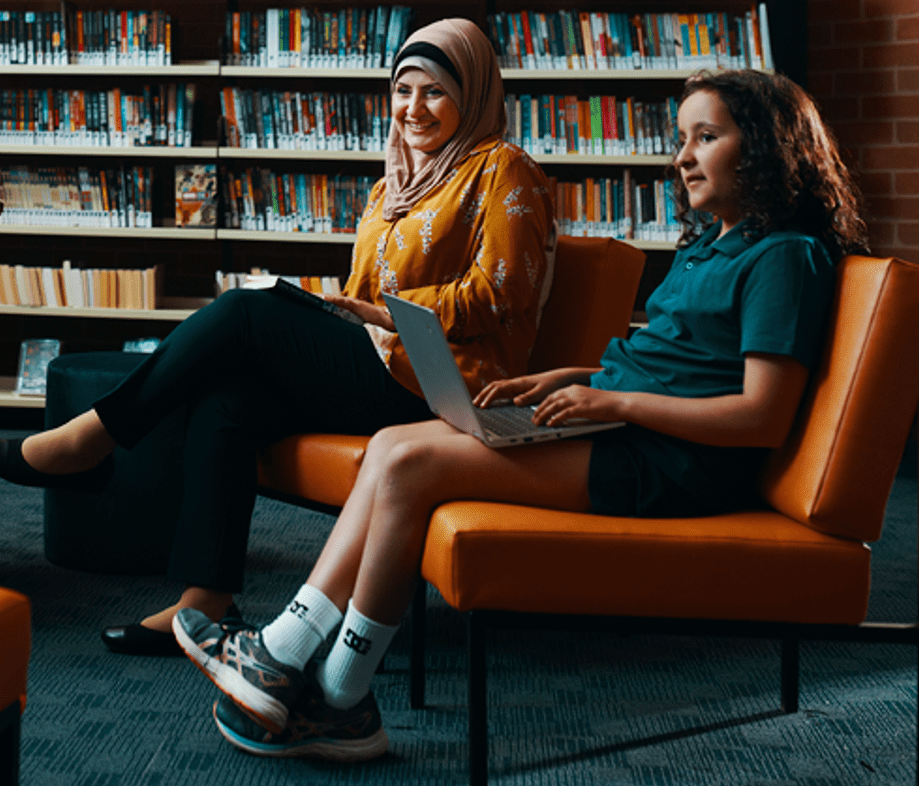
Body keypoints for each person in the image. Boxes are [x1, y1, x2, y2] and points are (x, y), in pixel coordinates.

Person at [172, 68, 868, 761]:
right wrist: (574, 377)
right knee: (390, 444)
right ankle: (304, 668)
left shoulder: (784, 257)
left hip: (672, 464)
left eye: (707, 136)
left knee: (411, 464)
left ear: (770, 148)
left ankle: (327, 684)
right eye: (680, 137)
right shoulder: (714, 245)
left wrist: (611, 400)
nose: (683, 155)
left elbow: (760, 416)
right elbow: (681, 369)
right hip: (626, 432)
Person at [0, 18, 557, 656]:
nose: (413, 109)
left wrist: (381, 313)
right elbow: (361, 292)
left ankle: (92, 437)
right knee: (225, 395)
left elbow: (503, 297)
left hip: (444, 383)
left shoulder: (503, 169)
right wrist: (338, 311)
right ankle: (207, 602)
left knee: (243, 314)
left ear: (472, 95)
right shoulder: (393, 185)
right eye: (403, 90)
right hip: (381, 363)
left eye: (435, 92)